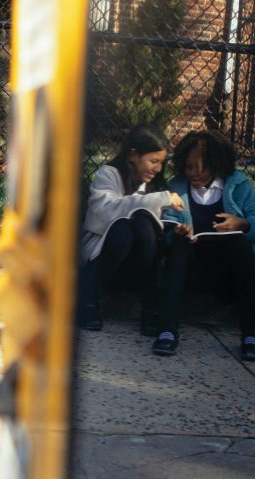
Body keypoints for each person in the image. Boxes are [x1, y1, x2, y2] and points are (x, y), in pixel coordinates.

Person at [151, 130, 255, 361]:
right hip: (191, 267)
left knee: (239, 242)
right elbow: (167, 224)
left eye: (202, 167)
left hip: (228, 270)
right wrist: (177, 231)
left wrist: (243, 224)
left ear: (218, 164)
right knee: (179, 246)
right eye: (188, 166)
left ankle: (251, 334)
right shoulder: (178, 187)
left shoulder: (238, 186)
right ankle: (167, 329)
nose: (194, 173)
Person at [78, 124, 185, 332]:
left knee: (143, 221)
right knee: (123, 228)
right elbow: (103, 212)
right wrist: (158, 200)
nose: (158, 169)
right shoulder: (108, 175)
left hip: (140, 265)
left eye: (161, 163)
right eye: (153, 161)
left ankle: (149, 307)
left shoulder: (157, 186)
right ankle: (88, 301)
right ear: (133, 155)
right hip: (105, 260)